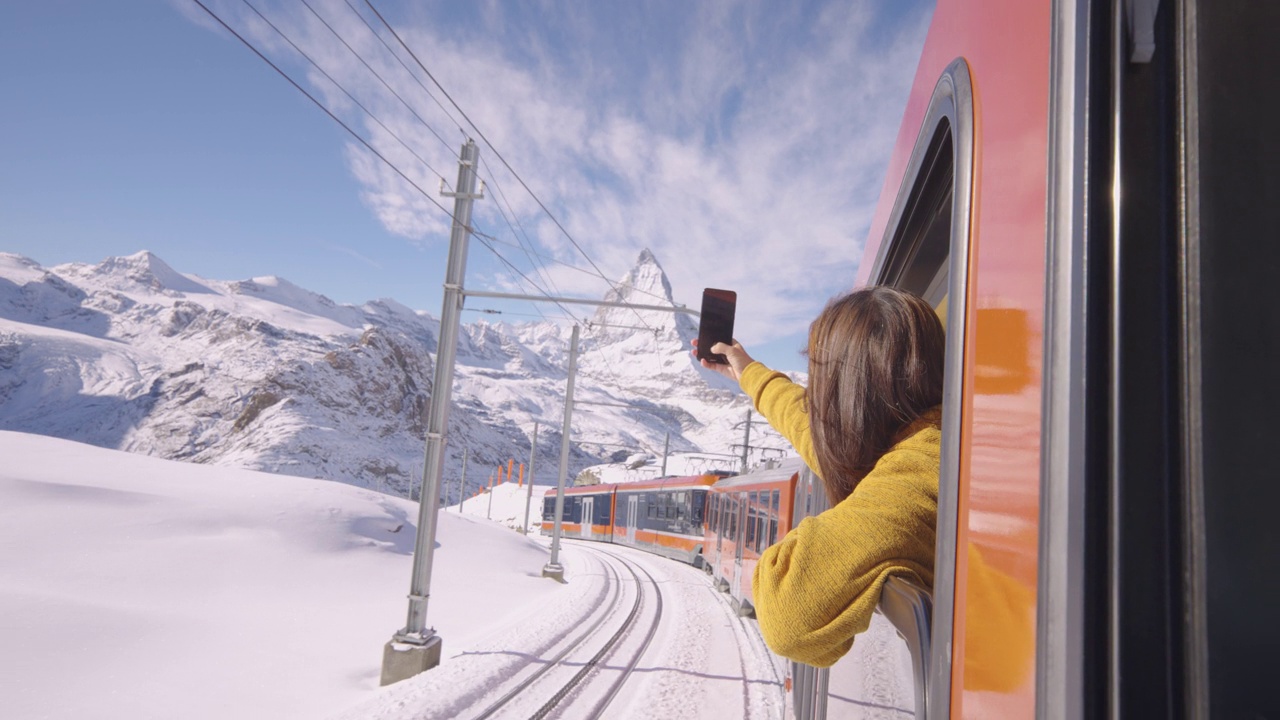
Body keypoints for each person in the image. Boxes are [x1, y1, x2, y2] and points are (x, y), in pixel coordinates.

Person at [694, 285, 945, 668]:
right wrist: (748, 372)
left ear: (848, 391)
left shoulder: (922, 465)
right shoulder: (911, 438)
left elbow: (789, 617)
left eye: (823, 380)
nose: (816, 399)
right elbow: (809, 426)